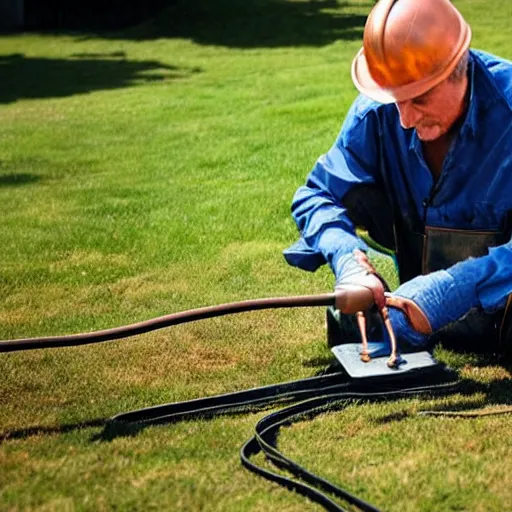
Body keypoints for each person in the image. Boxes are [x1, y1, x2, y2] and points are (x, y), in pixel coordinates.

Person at [284, 0, 512, 354]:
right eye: (394, 98)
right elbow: (316, 196)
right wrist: (348, 258)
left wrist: (458, 286)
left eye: (419, 99)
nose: (404, 119)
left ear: (458, 68)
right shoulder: (376, 115)